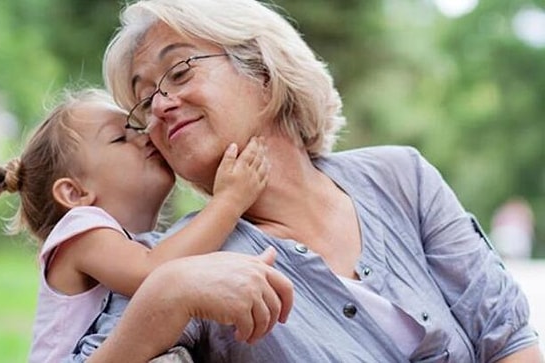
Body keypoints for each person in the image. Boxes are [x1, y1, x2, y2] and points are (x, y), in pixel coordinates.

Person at [70, 0, 543, 361]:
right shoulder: (173, 262)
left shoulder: (401, 177)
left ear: (264, 73)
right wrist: (168, 294)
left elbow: (506, 336)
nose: (159, 106)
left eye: (178, 71)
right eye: (143, 99)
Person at [0, 87, 273, 363]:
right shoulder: (79, 229)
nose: (145, 135)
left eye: (137, 128)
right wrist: (230, 200)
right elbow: (155, 275)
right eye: (120, 138)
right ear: (75, 193)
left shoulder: (121, 240)